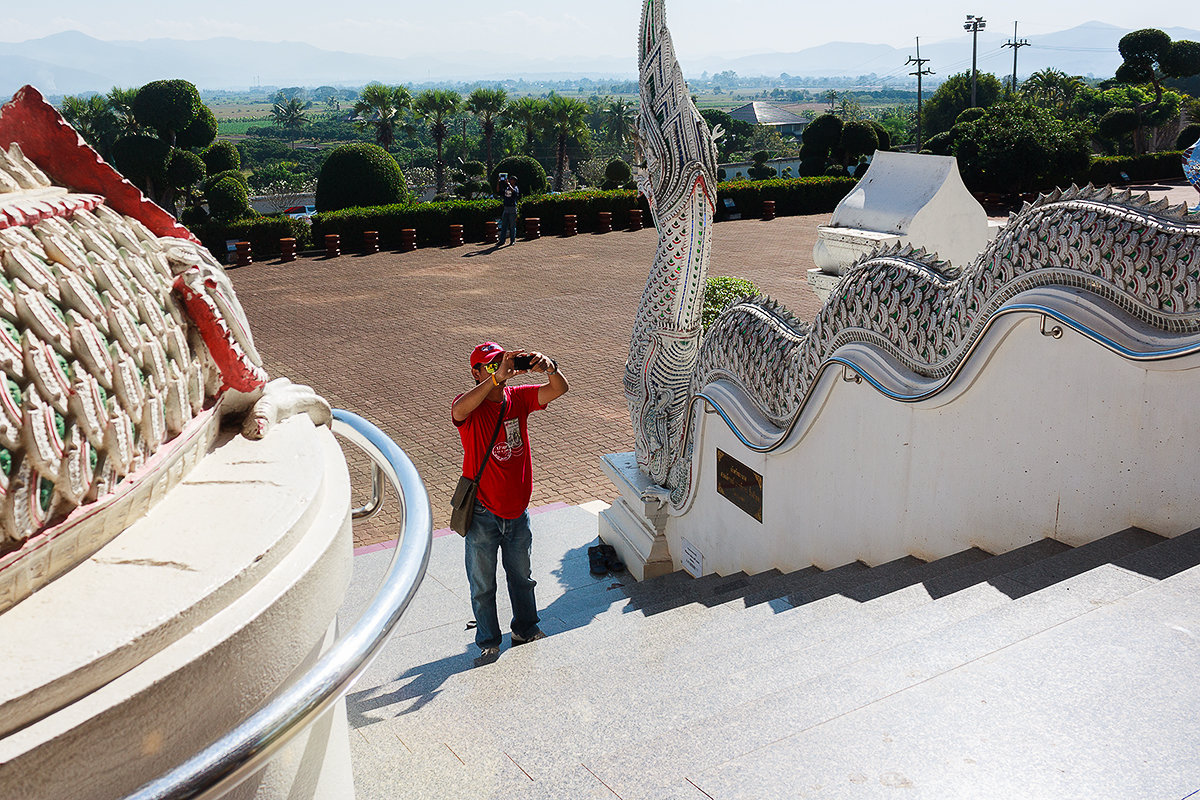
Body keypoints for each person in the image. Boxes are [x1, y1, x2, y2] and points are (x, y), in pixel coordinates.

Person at [452, 341, 569, 662]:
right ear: (475, 373)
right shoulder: (472, 408)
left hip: (517, 512)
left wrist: (550, 367)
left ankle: (526, 628)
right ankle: (488, 640)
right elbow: (457, 411)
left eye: (500, 363)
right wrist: (494, 379)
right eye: (489, 366)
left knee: (522, 578)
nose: (498, 370)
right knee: (483, 584)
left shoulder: (518, 398)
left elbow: (559, 389)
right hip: (482, 513)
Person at [497, 175, 520, 245]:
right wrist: (498, 183)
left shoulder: (516, 188)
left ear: (515, 181)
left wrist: (509, 184)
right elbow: (498, 191)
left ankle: (512, 240)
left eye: (512, 180)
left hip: (512, 209)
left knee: (512, 226)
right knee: (504, 226)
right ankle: (502, 241)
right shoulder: (506, 188)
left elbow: (513, 192)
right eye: (510, 179)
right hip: (506, 209)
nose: (510, 180)